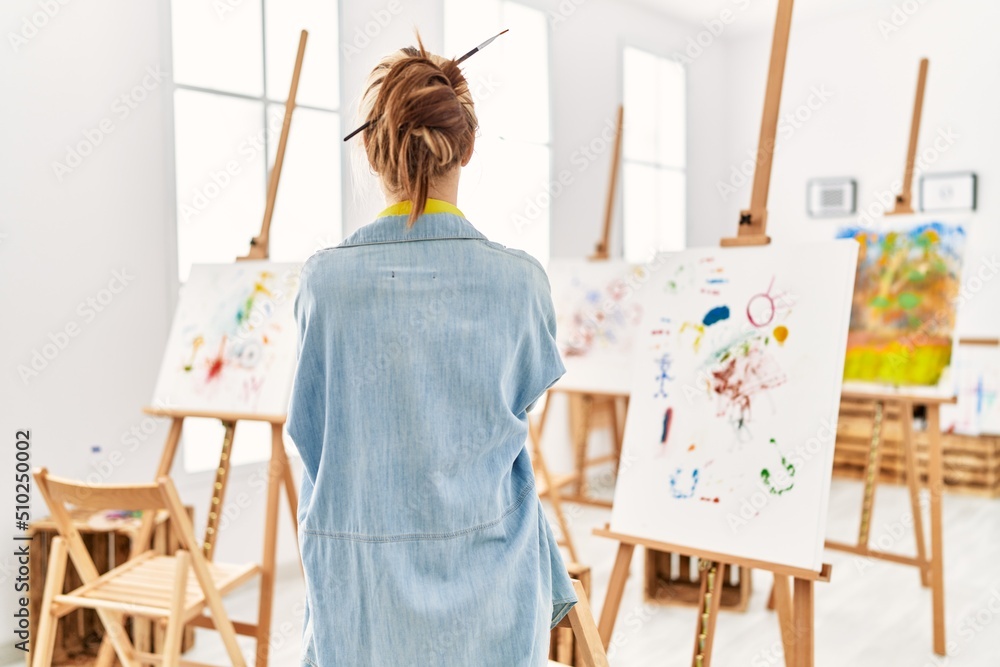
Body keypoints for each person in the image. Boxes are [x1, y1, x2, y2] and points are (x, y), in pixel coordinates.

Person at [286, 36, 577, 666]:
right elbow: (516, 406)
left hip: (359, 597)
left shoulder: (325, 284)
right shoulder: (519, 282)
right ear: (466, 146)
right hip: (492, 593)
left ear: (373, 150)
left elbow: (312, 437)